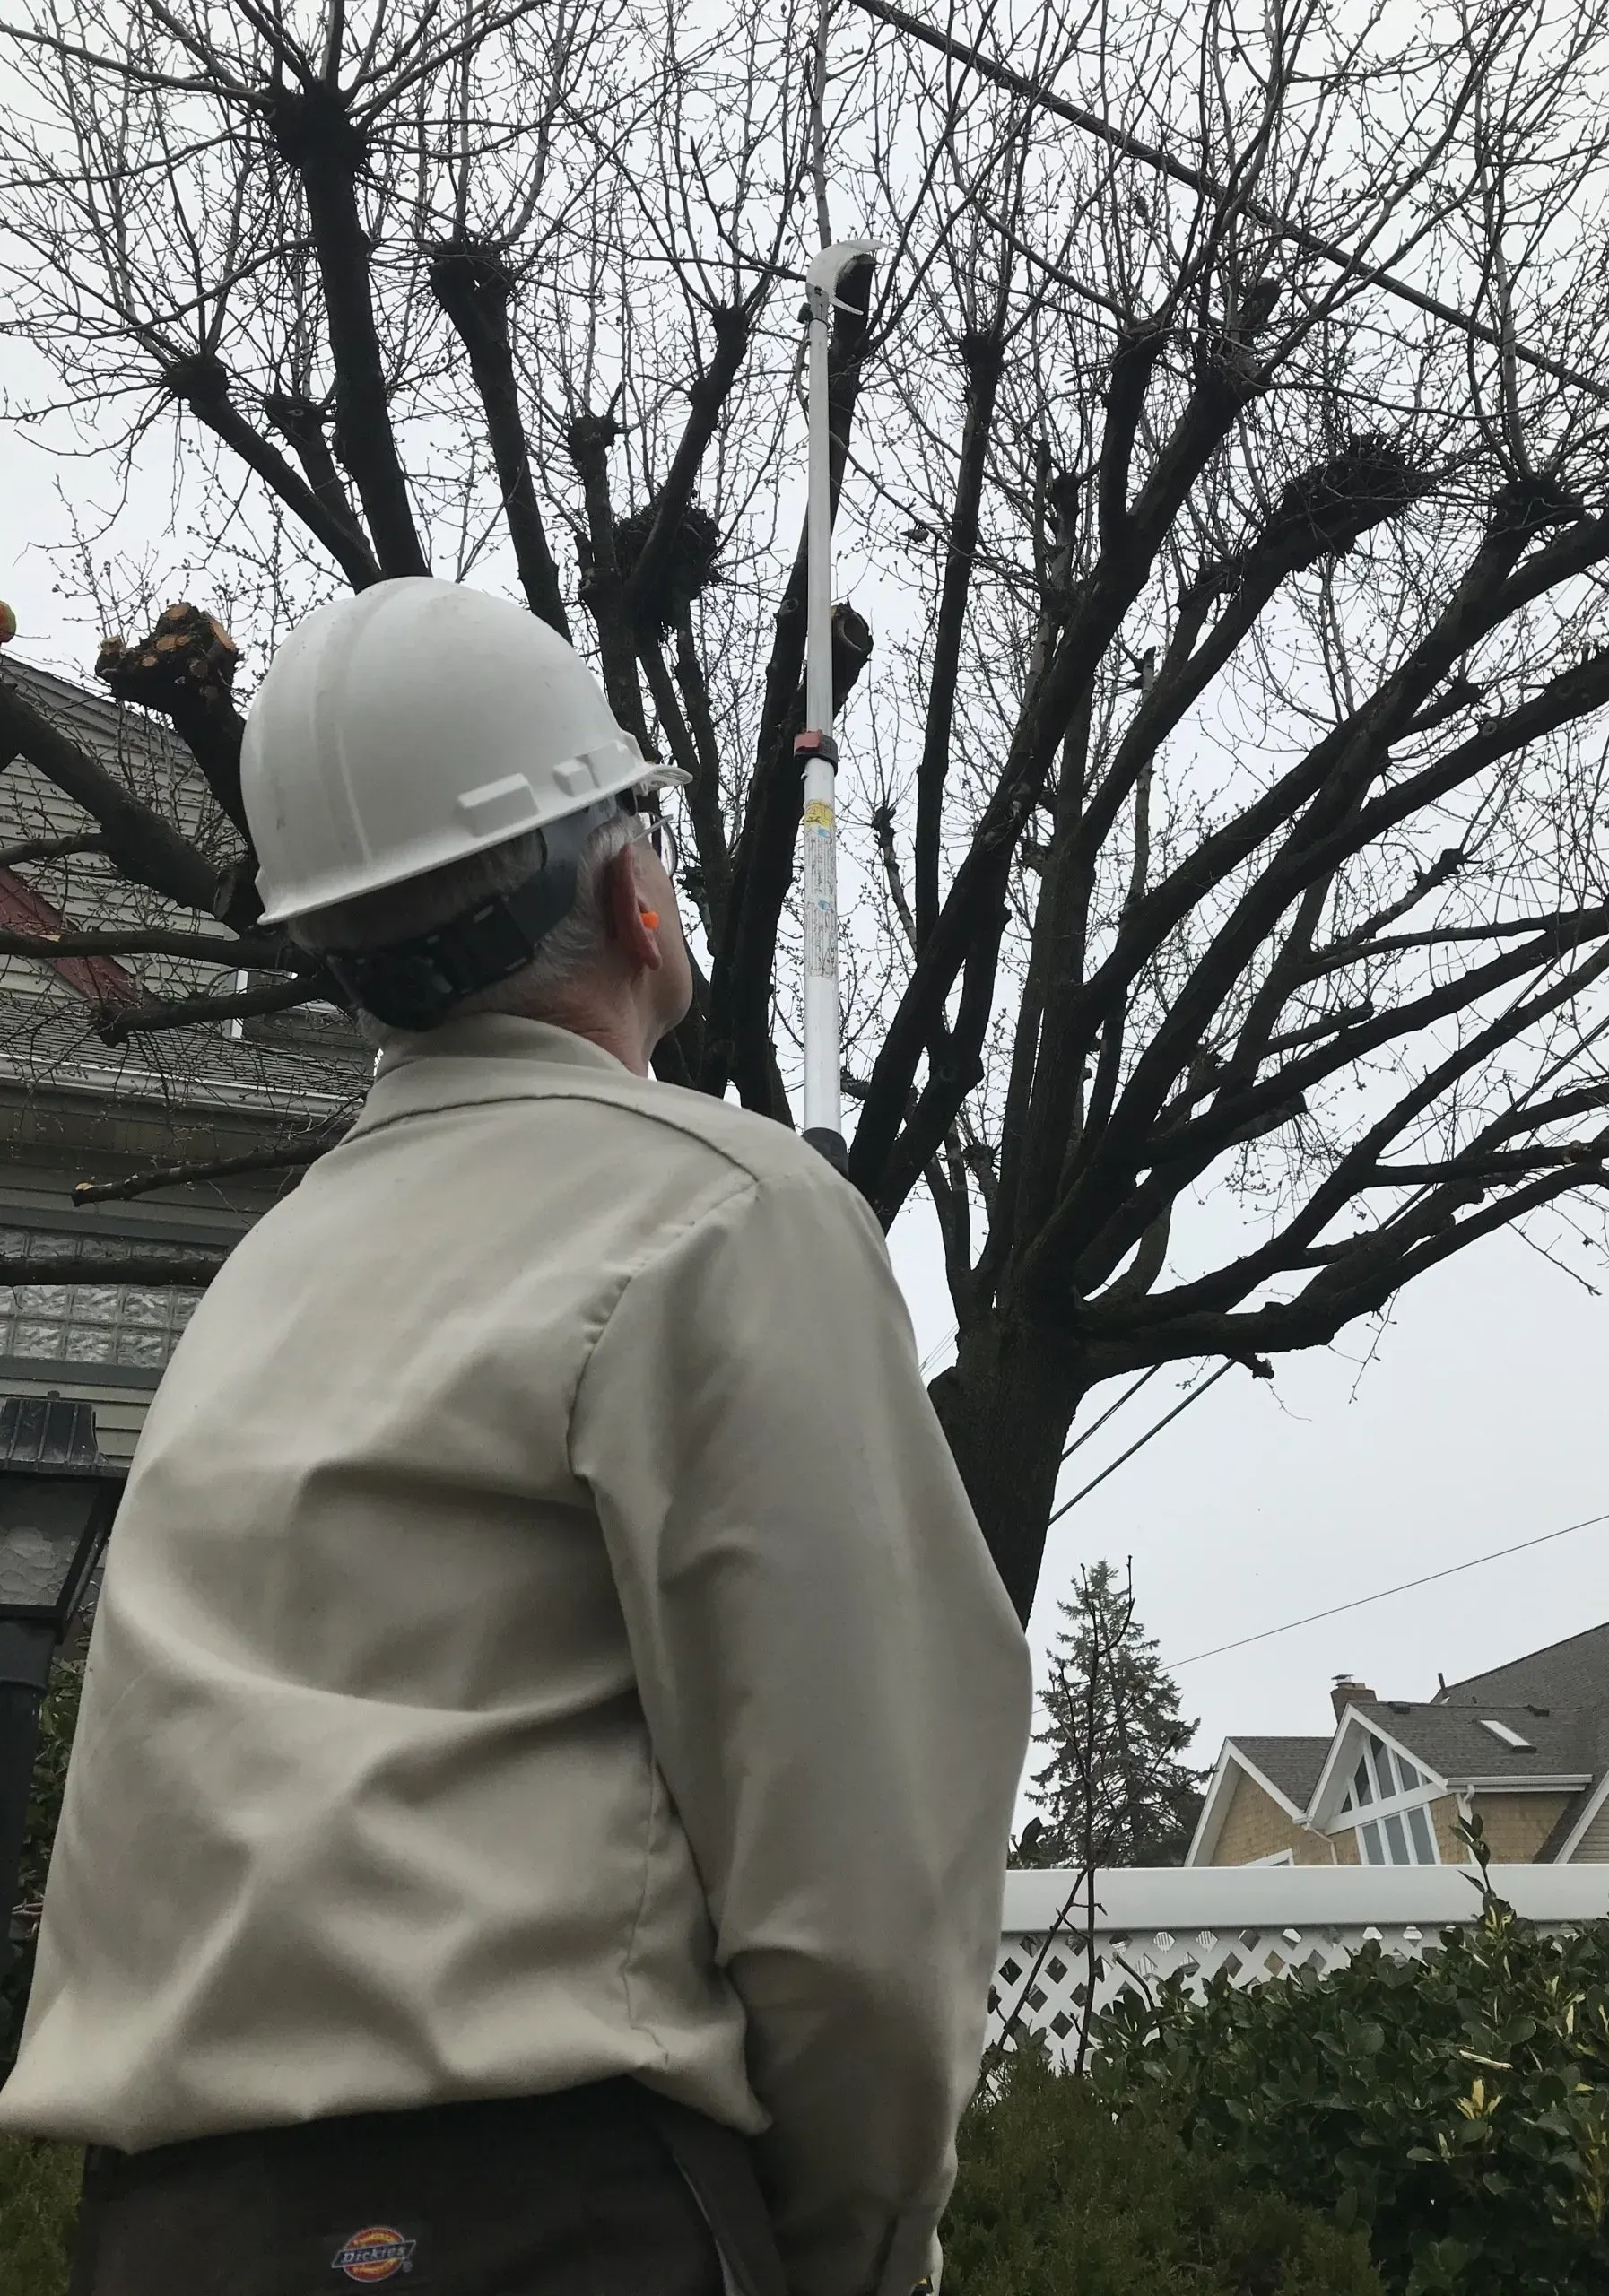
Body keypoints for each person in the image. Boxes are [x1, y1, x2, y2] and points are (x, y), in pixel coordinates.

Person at [0, 579, 1031, 2296]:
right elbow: (860, 1899)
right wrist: (853, 2255)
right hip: (552, 2217)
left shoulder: (262, 1287)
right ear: (633, 892)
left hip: (168, 2237)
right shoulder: (722, 1214)